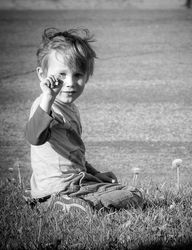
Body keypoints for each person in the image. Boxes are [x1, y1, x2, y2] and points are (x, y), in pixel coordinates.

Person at [25, 27, 143, 213]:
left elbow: (73, 155)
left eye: (78, 75)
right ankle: (71, 206)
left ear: (87, 76)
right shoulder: (45, 105)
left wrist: (96, 174)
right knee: (133, 194)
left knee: (123, 190)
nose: (70, 83)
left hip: (72, 184)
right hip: (63, 187)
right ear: (42, 75)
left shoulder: (71, 109)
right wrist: (47, 98)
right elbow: (34, 138)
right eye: (62, 75)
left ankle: (54, 204)